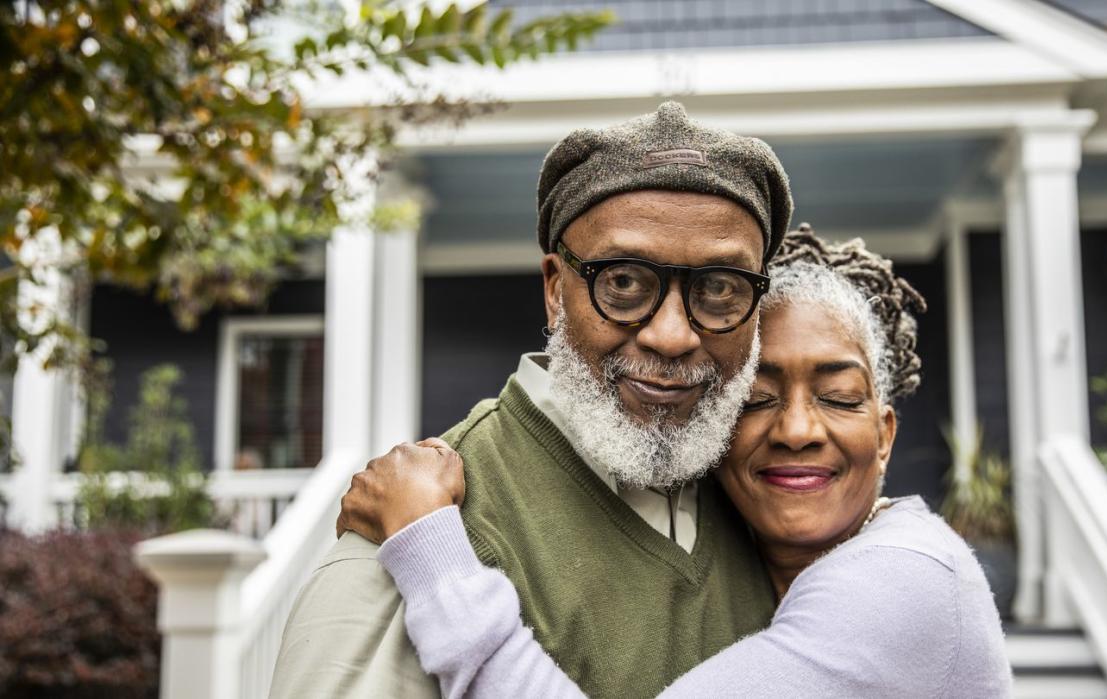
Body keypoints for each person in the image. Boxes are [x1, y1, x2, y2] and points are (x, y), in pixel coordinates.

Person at [336, 229, 1013, 698]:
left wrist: (431, 552)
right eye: (757, 398)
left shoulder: (904, 580)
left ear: (886, 434)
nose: (799, 429)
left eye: (838, 397)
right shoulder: (740, 557)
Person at [269, 101, 795, 698]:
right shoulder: (422, 534)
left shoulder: (763, 511)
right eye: (622, 282)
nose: (672, 336)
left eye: (721, 288)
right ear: (555, 290)